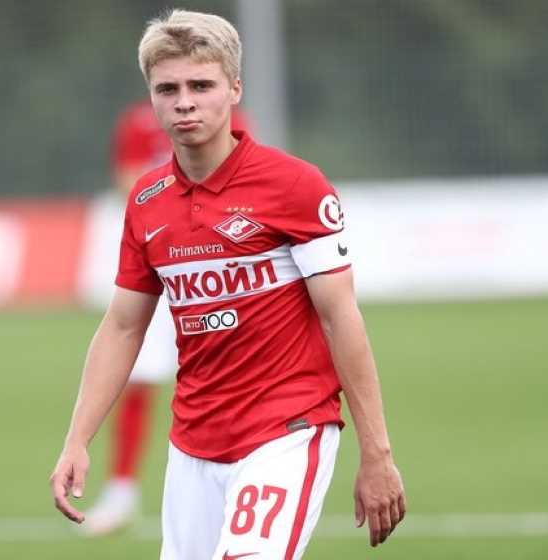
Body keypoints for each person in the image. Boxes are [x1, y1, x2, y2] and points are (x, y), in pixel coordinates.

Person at [52, 9, 406, 559]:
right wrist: (77, 439)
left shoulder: (294, 186)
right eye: (167, 89)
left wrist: (377, 453)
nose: (184, 102)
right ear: (151, 98)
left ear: (234, 89)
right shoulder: (146, 202)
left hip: (285, 432)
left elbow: (341, 318)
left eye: (201, 86)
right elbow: (123, 327)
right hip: (193, 448)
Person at [77, 98, 250, 536]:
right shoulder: (138, 121)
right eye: (169, 85)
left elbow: (245, 183)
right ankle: (121, 491)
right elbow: (129, 183)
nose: (183, 98)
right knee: (136, 375)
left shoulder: (229, 117)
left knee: (231, 377)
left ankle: (240, 481)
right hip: (162, 258)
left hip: (215, 265)